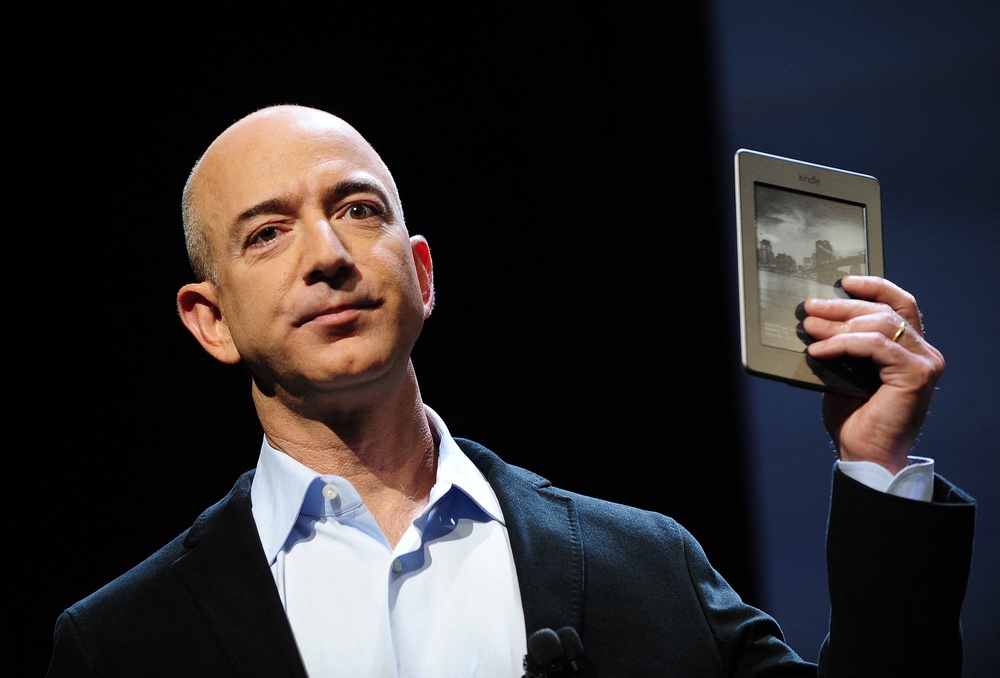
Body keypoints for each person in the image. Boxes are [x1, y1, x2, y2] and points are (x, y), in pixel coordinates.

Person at [46, 104, 975, 677]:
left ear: (422, 272)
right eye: (267, 234)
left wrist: (876, 464)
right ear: (209, 321)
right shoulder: (123, 643)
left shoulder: (647, 567)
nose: (328, 256)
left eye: (357, 210)